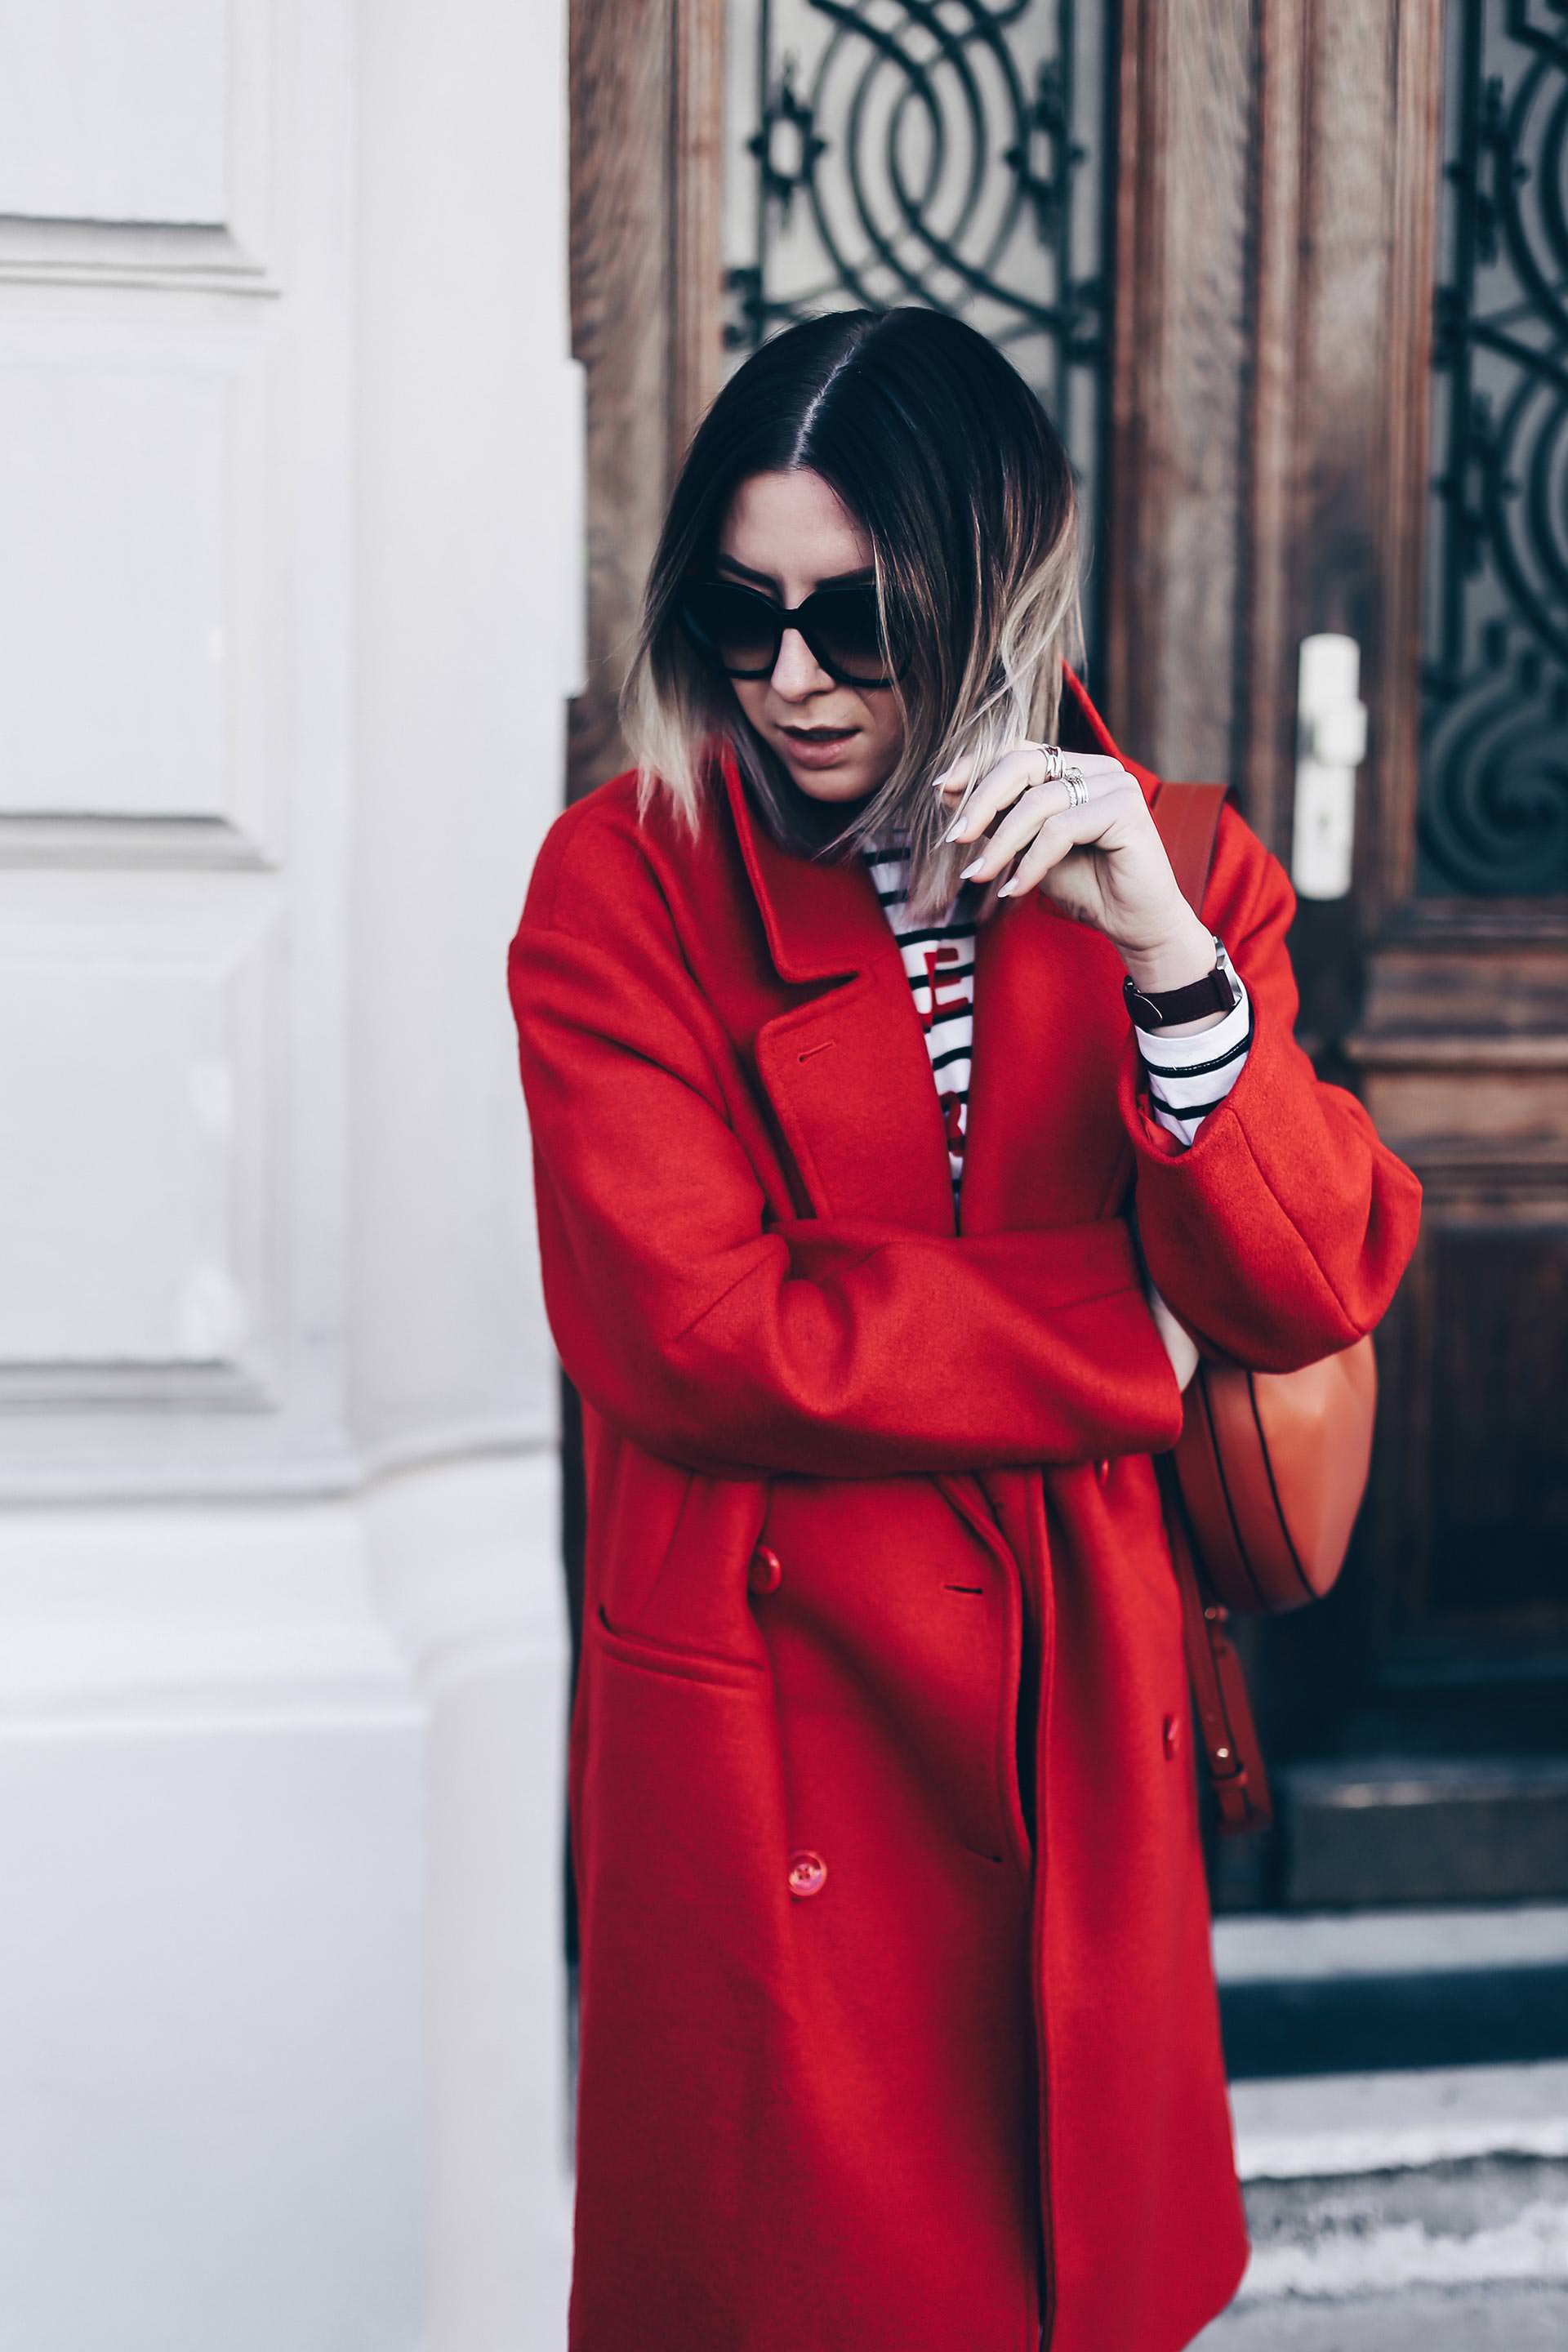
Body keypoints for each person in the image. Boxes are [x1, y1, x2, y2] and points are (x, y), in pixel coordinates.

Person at [506, 306, 1422, 2352]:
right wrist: (1119, 1332)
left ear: (991, 588)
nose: (792, 680)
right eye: (741, 618)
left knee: (1065, 2275)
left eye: (857, 618)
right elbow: (698, 1328)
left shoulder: (1175, 866)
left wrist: (1173, 965)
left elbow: (1312, 1280)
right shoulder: (621, 890)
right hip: (773, 1719)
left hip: (1073, 1711)